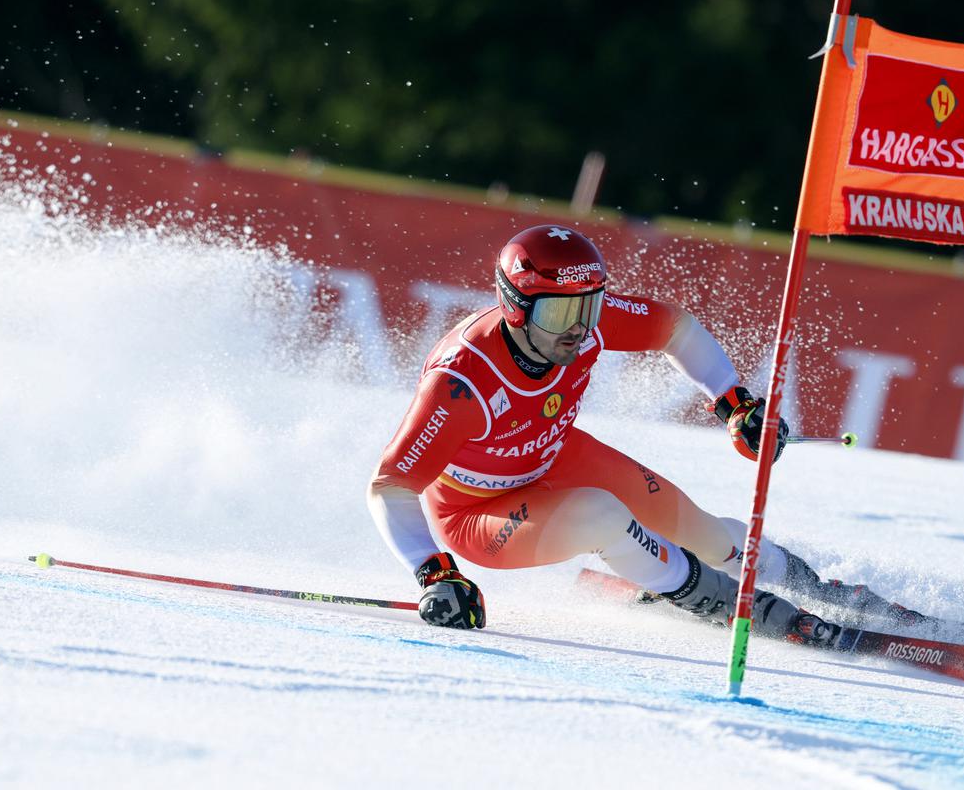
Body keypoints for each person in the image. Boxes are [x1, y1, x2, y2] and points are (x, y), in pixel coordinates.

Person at [366, 224, 916, 644]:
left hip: (552, 458)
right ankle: (716, 600)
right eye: (560, 317)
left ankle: (812, 587)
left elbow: (674, 327)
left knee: (700, 529)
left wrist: (733, 403)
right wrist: (435, 574)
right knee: (603, 518)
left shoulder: (582, 324)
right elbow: (390, 486)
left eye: (590, 308)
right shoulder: (461, 383)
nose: (578, 331)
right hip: (478, 514)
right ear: (515, 308)